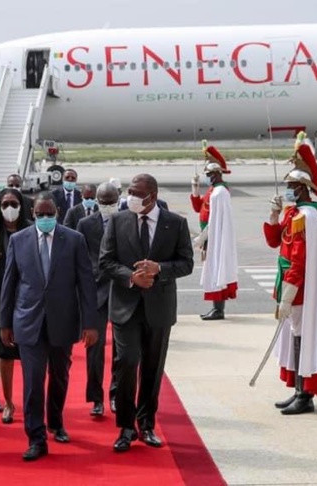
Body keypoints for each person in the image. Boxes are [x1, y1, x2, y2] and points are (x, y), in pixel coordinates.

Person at [0, 192, 99, 461]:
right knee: (32, 382)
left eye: (50, 214)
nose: (45, 218)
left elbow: (86, 283)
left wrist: (91, 323)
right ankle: (36, 437)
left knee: (60, 376)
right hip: (28, 322)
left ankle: (56, 421)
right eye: (40, 214)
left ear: (57, 212)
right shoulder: (18, 241)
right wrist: (4, 323)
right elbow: (9, 284)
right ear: (33, 213)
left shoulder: (74, 240)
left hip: (63, 321)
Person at [100, 173, 194, 452]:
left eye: (135, 193)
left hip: (159, 308)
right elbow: (105, 261)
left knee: (153, 369)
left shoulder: (175, 223)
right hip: (125, 307)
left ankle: (147, 424)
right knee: (127, 363)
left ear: (152, 196)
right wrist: (131, 277)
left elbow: (186, 263)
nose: (130, 197)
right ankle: (126, 427)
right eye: (128, 191)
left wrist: (160, 269)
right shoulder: (118, 221)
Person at [263, 139, 317, 415]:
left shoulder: (305, 217)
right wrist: (273, 214)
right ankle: (298, 389)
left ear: (303, 189)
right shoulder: (293, 213)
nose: (288, 192)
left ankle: (305, 395)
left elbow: (299, 260)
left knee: (302, 337)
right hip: (289, 284)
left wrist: (288, 296)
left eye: (292, 187)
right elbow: (274, 241)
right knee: (296, 337)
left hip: (299, 289)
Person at [0, 189, 32, 424]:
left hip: (29, 300)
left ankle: (32, 401)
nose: (9, 208)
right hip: (2, 300)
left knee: (31, 354)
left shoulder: (32, 229)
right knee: (5, 354)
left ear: (21, 205)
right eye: (5, 204)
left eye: (13, 203)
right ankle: (9, 402)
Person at [76, 182, 120, 417]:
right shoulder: (85, 224)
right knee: (95, 350)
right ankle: (96, 398)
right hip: (95, 294)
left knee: (121, 352)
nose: (106, 206)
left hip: (122, 292)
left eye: (111, 202)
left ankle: (115, 395)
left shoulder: (126, 219)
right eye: (102, 202)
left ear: (118, 199)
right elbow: (80, 260)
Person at [190, 145, 238, 320]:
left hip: (214, 236)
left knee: (216, 270)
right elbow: (198, 208)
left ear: (218, 174)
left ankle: (218, 309)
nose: (208, 178)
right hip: (211, 235)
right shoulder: (213, 191)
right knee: (214, 270)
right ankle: (216, 308)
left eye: (210, 175)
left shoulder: (219, 193)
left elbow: (214, 221)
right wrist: (195, 187)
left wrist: (200, 238)